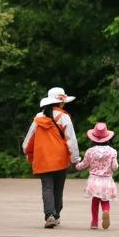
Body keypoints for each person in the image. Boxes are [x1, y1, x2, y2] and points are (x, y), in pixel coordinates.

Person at [22, 88, 81, 228]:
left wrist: (28, 153)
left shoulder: (38, 118)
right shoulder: (64, 117)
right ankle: (56, 215)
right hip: (60, 159)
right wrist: (75, 159)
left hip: (43, 159)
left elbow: (28, 140)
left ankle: (49, 216)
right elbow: (71, 140)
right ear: (60, 103)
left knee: (47, 188)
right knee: (58, 189)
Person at [75, 122, 119, 229]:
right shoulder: (112, 152)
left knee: (95, 201)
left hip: (94, 180)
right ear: (107, 138)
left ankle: (94, 222)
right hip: (107, 180)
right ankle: (106, 211)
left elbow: (84, 164)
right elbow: (115, 167)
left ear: (93, 139)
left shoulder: (90, 151)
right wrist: (113, 167)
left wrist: (77, 166)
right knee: (105, 199)